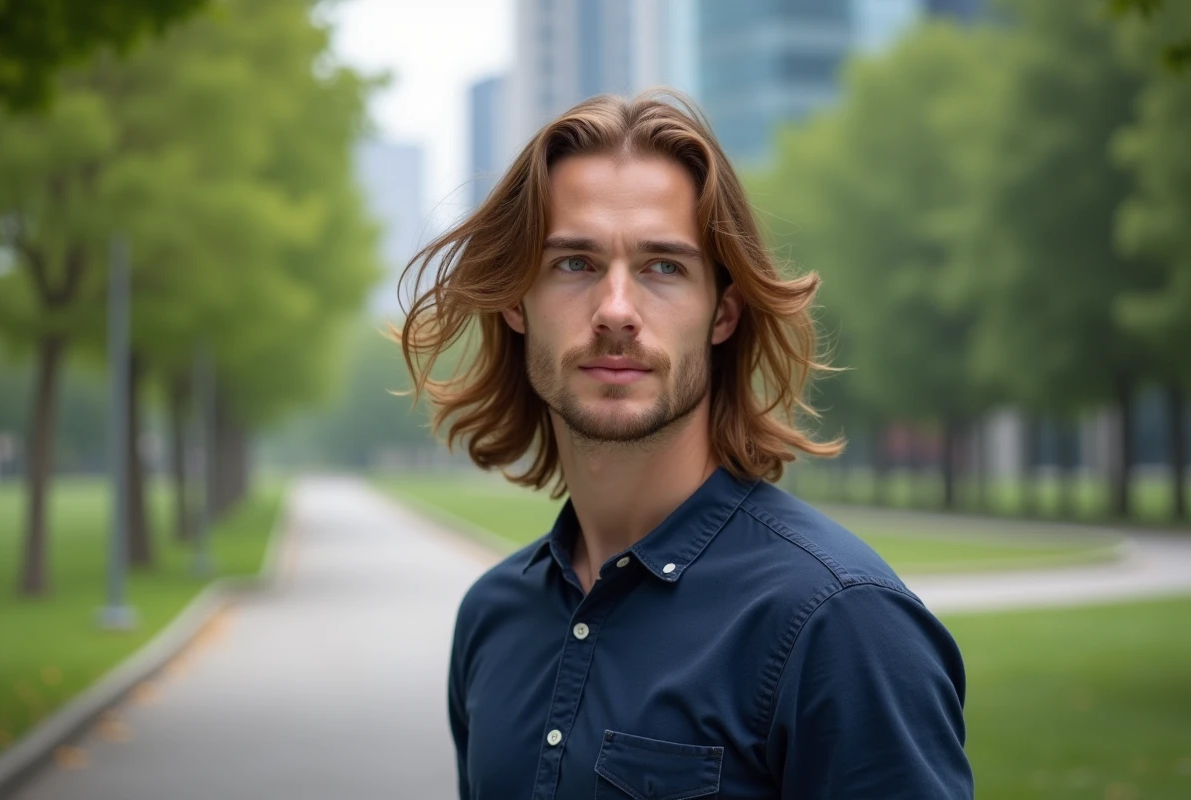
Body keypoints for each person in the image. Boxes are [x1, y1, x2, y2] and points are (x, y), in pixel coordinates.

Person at [394, 92, 974, 800]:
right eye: (574, 263)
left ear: (722, 313)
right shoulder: (492, 617)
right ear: (516, 302)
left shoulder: (841, 623)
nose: (615, 311)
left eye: (663, 267)